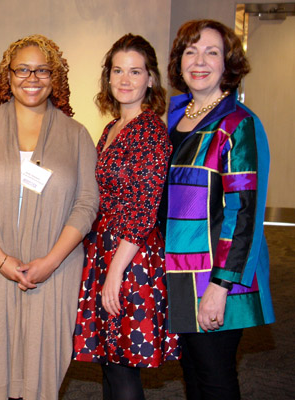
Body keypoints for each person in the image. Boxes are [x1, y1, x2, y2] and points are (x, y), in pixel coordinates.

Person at [0, 34, 98, 400]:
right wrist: (1, 260)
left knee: (40, 370)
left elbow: (86, 204)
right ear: (8, 75)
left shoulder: (76, 135)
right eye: (22, 69)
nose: (31, 78)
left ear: (56, 77)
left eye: (42, 70)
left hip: (55, 270)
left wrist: (49, 262)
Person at [163, 19, 275, 399]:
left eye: (212, 52)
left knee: (215, 379)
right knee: (193, 376)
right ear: (179, 62)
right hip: (179, 272)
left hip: (214, 277)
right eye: (191, 51)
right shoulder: (177, 117)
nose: (200, 60)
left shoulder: (237, 124)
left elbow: (242, 211)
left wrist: (221, 285)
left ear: (228, 64)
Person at [72, 34, 180, 400]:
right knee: (110, 359)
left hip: (130, 260)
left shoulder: (150, 131)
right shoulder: (112, 128)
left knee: (121, 369)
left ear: (151, 79)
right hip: (106, 252)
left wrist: (115, 273)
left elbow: (144, 210)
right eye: (118, 70)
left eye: (135, 71)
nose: (125, 79)